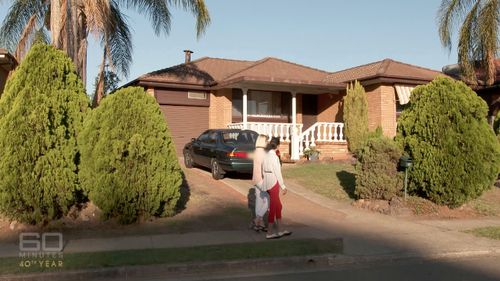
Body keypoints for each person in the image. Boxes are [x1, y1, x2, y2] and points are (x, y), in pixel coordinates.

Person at [262, 137, 292, 239]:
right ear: (278, 146)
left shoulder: (265, 155)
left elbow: (262, 170)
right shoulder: (274, 157)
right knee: (273, 208)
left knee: (278, 206)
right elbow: (278, 173)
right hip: (273, 182)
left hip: (267, 181)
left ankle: (280, 229)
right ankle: (270, 232)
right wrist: (283, 186)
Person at [251, 134, 270, 232]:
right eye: (267, 141)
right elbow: (264, 169)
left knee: (259, 200)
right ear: (263, 141)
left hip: (255, 179)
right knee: (268, 200)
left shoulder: (255, 151)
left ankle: (259, 223)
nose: (268, 143)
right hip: (261, 180)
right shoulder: (263, 153)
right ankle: (257, 219)